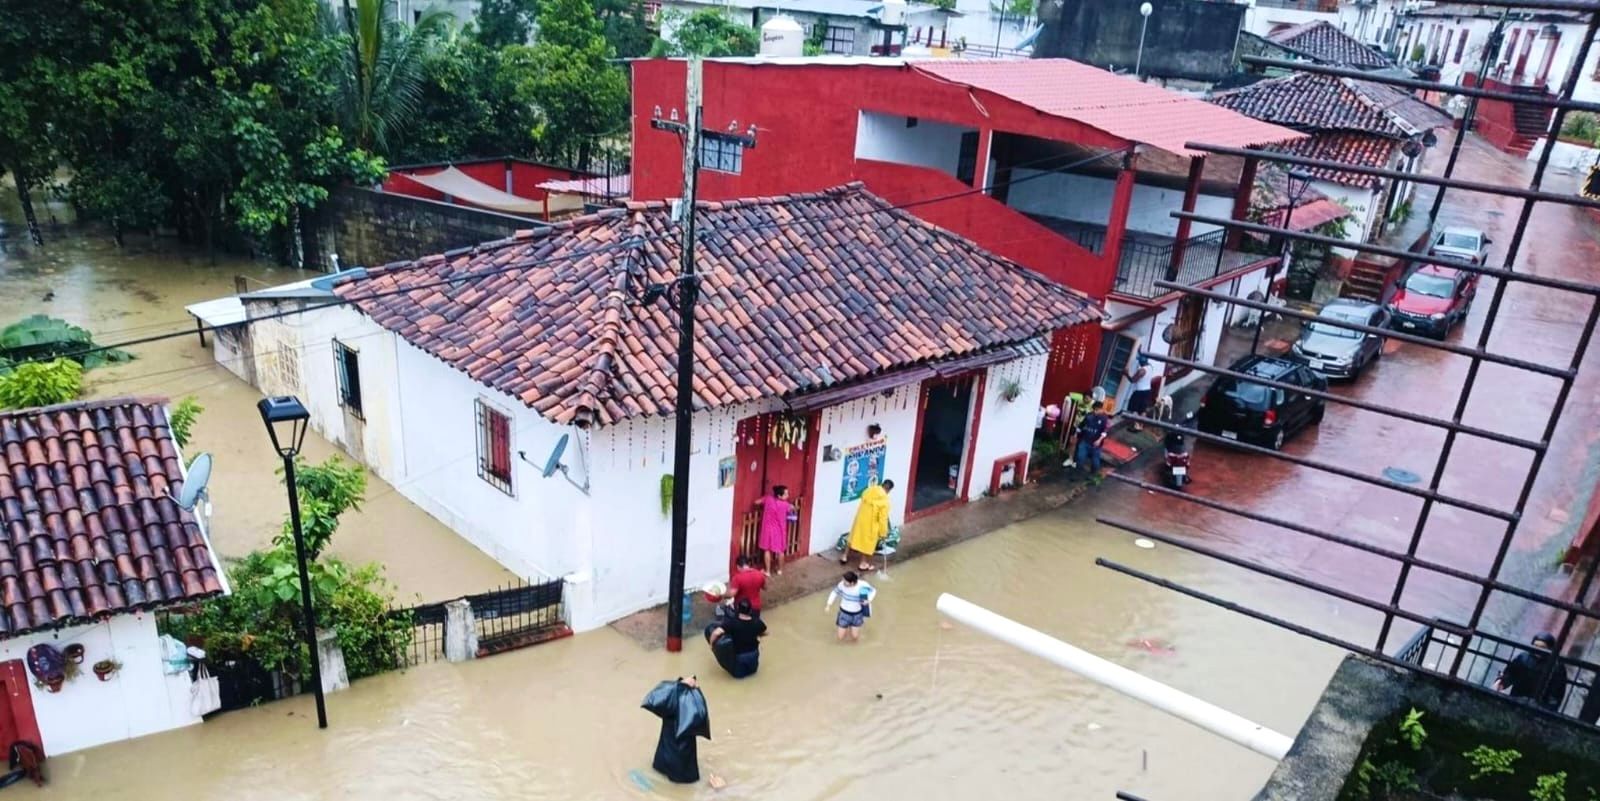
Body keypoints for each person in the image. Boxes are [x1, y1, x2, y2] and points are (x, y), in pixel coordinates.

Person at [641, 676, 711, 783]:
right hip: (681, 768)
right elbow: (701, 716)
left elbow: (656, 696)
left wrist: (679, 685)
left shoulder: (668, 705)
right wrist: (693, 689)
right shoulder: (691, 715)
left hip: (663, 760)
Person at [1493, 631, 1569, 711]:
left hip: (1539, 707)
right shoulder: (1523, 658)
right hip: (1516, 699)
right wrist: (1501, 683)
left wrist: (1548, 710)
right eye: (1535, 646)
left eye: (1542, 647)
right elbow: (1510, 674)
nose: (1537, 650)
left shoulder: (1557, 667)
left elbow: (1556, 695)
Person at [703, 598, 767, 678]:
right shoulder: (757, 622)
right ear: (750, 610)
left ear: (738, 609)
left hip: (740, 657)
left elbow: (716, 633)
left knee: (739, 677)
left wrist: (711, 645)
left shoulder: (732, 623)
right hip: (753, 654)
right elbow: (764, 632)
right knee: (753, 673)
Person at [843, 480, 894, 572]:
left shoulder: (869, 490)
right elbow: (883, 519)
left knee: (853, 536)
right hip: (871, 524)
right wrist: (883, 533)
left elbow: (862, 496)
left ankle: (844, 556)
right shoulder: (885, 501)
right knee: (867, 543)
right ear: (889, 490)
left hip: (860, 518)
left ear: (882, 485)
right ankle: (863, 563)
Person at [825, 570, 877, 642]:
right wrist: (828, 604)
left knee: (855, 637)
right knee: (840, 637)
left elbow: (873, 590)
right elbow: (834, 592)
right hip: (844, 613)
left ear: (852, 583)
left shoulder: (863, 585)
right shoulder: (841, 585)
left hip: (857, 614)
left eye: (845, 581)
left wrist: (868, 600)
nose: (843, 582)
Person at [755, 485, 794, 575]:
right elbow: (792, 509)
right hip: (779, 531)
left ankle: (767, 571)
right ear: (779, 496)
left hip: (768, 530)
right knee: (780, 551)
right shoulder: (786, 505)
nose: (788, 495)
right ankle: (780, 570)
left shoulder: (768, 499)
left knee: (767, 550)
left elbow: (756, 502)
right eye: (786, 494)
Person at [1075, 401, 1110, 484]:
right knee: (1080, 458)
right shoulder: (1089, 416)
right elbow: (1081, 426)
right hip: (1085, 441)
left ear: (1101, 409)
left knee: (1095, 462)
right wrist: (1076, 435)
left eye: (1097, 410)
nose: (1095, 412)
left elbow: (1105, 432)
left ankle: (1092, 475)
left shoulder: (1105, 419)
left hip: (1096, 445)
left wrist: (1099, 440)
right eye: (1094, 410)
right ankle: (1076, 474)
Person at [1124, 354, 1156, 432]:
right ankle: (1141, 426)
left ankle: (1136, 426)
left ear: (1142, 362)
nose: (1139, 363)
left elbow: (1133, 380)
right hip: (1147, 391)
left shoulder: (1141, 371)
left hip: (1139, 392)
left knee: (1134, 409)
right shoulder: (1150, 367)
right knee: (1143, 410)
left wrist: (1126, 373)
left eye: (1139, 361)